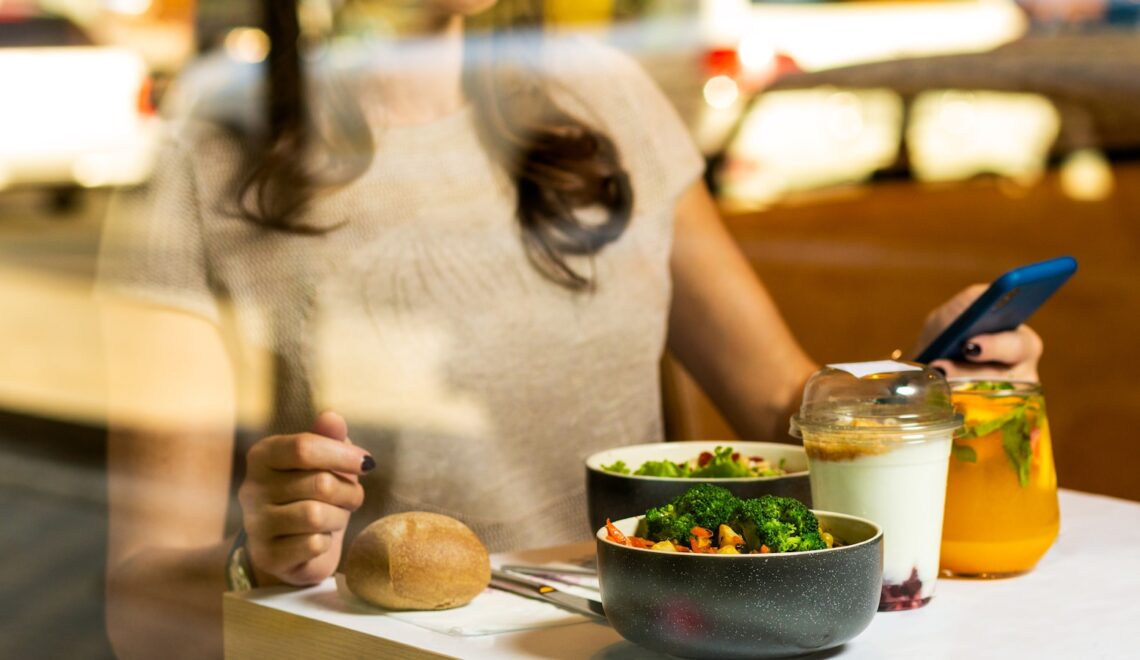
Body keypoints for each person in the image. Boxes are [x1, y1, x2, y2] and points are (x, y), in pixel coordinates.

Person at [97, 1, 1044, 658]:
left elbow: (782, 404)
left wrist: (924, 382)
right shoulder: (209, 159)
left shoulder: (605, 96)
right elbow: (137, 613)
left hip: (673, 638)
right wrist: (257, 562)